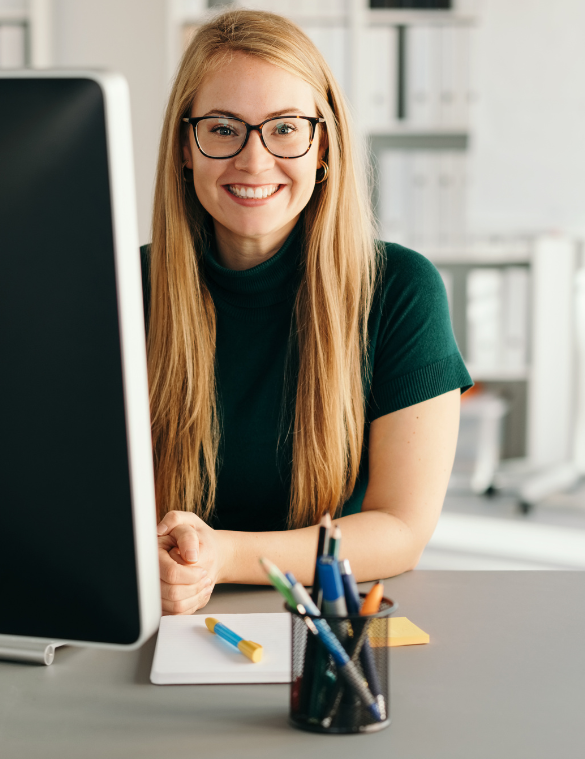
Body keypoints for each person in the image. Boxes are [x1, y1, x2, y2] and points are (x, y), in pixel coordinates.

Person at [147, 9, 471, 615]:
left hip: (325, 624)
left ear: (323, 145)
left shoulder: (400, 290)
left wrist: (222, 557)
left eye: (286, 128)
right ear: (185, 148)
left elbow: (402, 530)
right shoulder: (120, 289)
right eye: (222, 128)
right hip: (157, 616)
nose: (253, 159)